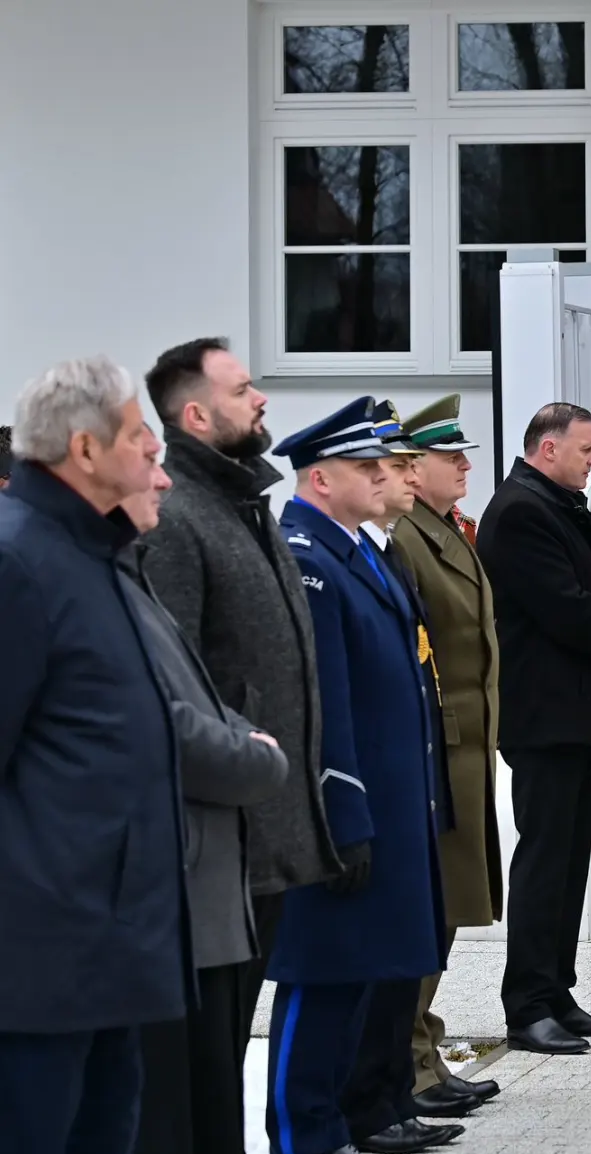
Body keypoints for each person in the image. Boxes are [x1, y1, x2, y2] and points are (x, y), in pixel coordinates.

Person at [0, 356, 182, 1154]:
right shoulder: (19, 564)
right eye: (139, 432)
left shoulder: (96, 556)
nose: (155, 451)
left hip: (111, 947)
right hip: (39, 965)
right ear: (83, 447)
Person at [139, 338, 344, 1075]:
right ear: (196, 413)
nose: (260, 399)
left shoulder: (243, 505)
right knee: (209, 1047)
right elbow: (177, 678)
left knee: (231, 1037)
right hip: (226, 831)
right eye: (242, 388)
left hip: (272, 817)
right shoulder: (180, 518)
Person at [265, 397, 445, 1154]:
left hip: (386, 801)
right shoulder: (305, 552)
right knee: (322, 976)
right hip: (344, 807)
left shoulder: (357, 551)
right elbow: (322, 701)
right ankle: (296, 1141)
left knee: (359, 975)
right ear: (319, 477)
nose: (383, 478)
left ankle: (333, 1128)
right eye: (367, 468)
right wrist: (341, 809)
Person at [119, 463, 289, 1154]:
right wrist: (253, 752)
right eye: (140, 456)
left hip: (205, 874)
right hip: (152, 885)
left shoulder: (122, 568)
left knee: (205, 1094)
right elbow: (161, 719)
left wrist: (249, 738)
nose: (159, 480)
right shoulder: (63, 573)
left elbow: (202, 689)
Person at [477, 403, 591, 1056]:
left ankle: (556, 992)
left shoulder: (548, 503)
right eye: (584, 449)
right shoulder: (520, 511)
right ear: (547, 449)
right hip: (543, 718)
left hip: (568, 716)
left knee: (565, 859)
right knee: (544, 862)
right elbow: (566, 608)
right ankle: (526, 1007)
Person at [335, 400, 471, 1154]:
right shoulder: (342, 555)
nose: (390, 476)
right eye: (376, 465)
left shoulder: (385, 547)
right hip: (386, 777)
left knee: (415, 937)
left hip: (421, 762)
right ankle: (359, 1110)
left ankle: (393, 1092)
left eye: (390, 462)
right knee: (376, 959)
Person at [390, 396, 504, 1114]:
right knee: (433, 909)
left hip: (468, 739)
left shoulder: (443, 529)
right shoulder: (407, 537)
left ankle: (423, 1050)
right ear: (411, 467)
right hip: (443, 740)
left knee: (451, 908)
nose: (464, 464)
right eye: (448, 456)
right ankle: (409, 1064)